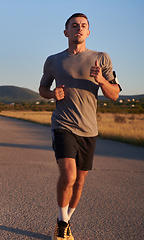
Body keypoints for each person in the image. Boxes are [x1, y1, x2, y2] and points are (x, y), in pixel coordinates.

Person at [39, 13, 121, 240]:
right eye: (74, 26)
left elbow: (114, 95)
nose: (79, 29)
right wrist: (52, 94)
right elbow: (42, 89)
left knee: (80, 181)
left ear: (88, 32)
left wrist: (102, 81)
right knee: (69, 176)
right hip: (63, 125)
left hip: (89, 129)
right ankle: (62, 223)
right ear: (66, 32)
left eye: (83, 26)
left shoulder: (101, 58)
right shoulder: (53, 60)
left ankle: (65, 221)